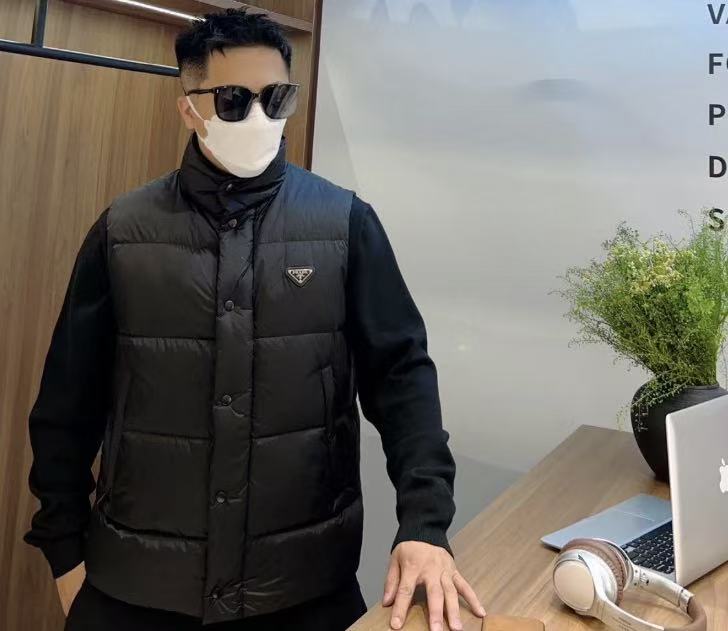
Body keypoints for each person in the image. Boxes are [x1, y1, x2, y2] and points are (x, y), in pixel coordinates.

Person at [22, 8, 486, 631]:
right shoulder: (124, 232)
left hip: (304, 587)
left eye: (277, 98)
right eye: (235, 100)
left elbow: (403, 379)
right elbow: (66, 403)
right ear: (189, 108)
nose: (260, 117)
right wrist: (64, 553)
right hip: (136, 588)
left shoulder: (345, 224)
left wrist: (425, 525)